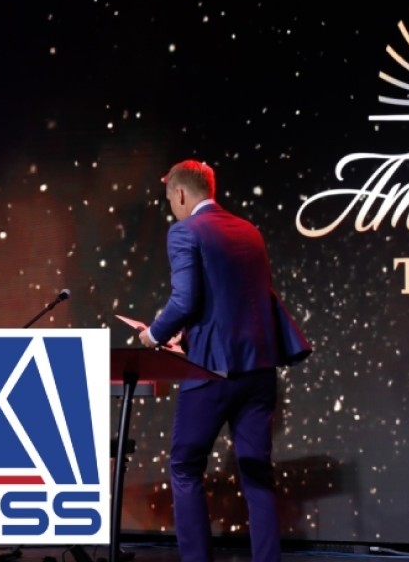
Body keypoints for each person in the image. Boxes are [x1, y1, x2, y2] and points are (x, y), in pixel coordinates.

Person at [138, 159, 312, 562]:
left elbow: (185, 300)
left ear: (181, 194)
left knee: (185, 467)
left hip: (210, 371)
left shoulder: (184, 231)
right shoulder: (249, 231)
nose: (172, 209)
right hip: (260, 370)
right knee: (257, 474)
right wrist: (187, 331)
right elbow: (230, 299)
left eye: (170, 200)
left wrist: (154, 335)